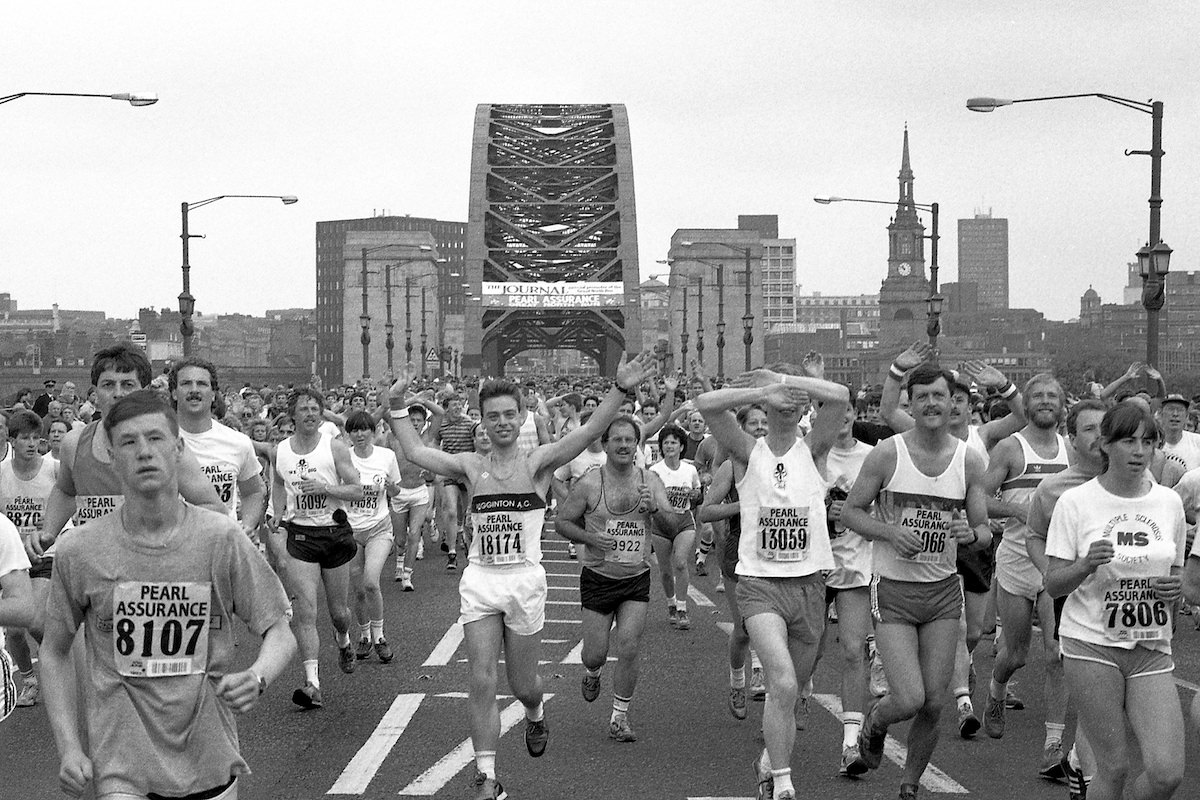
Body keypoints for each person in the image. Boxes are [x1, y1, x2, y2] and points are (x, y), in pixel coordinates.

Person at [387, 352, 657, 800]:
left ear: (522, 417)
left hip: (524, 582)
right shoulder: (472, 466)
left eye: (510, 415)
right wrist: (397, 405)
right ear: (483, 421)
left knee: (523, 684)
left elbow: (590, 431)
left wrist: (621, 389)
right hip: (481, 581)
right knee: (480, 678)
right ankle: (487, 776)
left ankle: (534, 713)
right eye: (493, 416)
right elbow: (414, 450)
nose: (502, 423)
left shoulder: (539, 464)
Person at [39, 390, 295, 800]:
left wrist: (257, 676)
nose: (144, 452)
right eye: (129, 442)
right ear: (111, 455)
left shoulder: (221, 538)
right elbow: (52, 653)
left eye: (155, 438)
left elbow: (280, 630)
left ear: (178, 449)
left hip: (207, 756)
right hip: (121, 760)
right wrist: (69, 747)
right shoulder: (80, 550)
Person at [697, 365, 851, 800]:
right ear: (763, 406)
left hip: (809, 585)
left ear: (803, 407)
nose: (786, 406)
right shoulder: (746, 451)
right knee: (781, 681)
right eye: (774, 404)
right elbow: (705, 405)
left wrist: (788, 383)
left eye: (796, 403)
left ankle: (768, 762)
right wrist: (768, 388)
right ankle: (783, 785)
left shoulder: (814, 449)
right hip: (760, 585)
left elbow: (838, 395)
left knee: (794, 688)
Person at [841, 365, 993, 800]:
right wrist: (890, 532)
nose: (931, 404)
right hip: (892, 588)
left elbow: (983, 529)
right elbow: (851, 512)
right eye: (922, 396)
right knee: (907, 697)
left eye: (939, 396)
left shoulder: (969, 460)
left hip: (943, 592)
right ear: (910, 402)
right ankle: (875, 719)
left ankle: (909, 783)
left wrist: (972, 534)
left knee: (933, 702)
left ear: (953, 403)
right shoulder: (888, 454)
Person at [1046, 402, 1186, 800]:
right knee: (1114, 767)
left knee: (1166, 773)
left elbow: (1174, 575)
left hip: (1150, 644)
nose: (1139, 451)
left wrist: (1174, 590)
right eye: (1128, 441)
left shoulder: (1168, 504)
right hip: (1090, 643)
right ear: (1106, 445)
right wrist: (1086, 565)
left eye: (1148, 441)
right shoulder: (1076, 503)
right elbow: (1054, 584)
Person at [555, 415, 686, 741]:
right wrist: (589, 539)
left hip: (635, 577)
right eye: (618, 440)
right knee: (595, 653)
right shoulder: (589, 483)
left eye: (630, 440)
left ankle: (619, 717)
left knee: (629, 646)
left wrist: (655, 509)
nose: (625, 445)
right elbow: (562, 522)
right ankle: (593, 671)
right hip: (598, 576)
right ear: (606, 444)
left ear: (637, 445)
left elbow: (673, 525)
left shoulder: (650, 480)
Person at [977, 374, 1071, 777]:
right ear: (1027, 405)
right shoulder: (1010, 448)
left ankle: (1054, 745)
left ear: (1064, 405)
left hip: (1058, 562)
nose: (1046, 401)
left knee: (1056, 653)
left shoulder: (1073, 452)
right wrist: (1015, 511)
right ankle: (996, 689)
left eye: (1053, 395)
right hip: (1017, 557)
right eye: (1038, 396)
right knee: (1015, 655)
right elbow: (977, 499)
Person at [1026, 398, 1106, 800]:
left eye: (1104, 428)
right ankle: (1065, 750)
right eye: (1088, 429)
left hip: (1119, 600)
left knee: (1110, 683)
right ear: (1071, 439)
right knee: (1066, 665)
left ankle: (1078, 758)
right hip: (1071, 592)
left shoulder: (1143, 477)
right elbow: (1034, 535)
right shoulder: (1054, 488)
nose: (1098, 436)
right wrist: (1050, 571)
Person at [270, 388, 364, 709]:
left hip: (335, 533)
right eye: (303, 409)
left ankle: (344, 639)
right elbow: (279, 484)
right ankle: (312, 683)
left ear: (322, 414)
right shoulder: (280, 451)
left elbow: (357, 490)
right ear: (292, 415)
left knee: (339, 613)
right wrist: (278, 514)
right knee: (305, 611)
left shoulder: (334, 448)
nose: (310, 414)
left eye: (315, 408)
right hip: (301, 536)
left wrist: (326, 488)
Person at [698, 405, 769, 720]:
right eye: (753, 423)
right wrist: (743, 505)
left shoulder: (785, 462)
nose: (760, 427)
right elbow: (707, 511)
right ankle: (738, 681)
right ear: (741, 429)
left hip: (775, 555)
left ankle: (768, 689)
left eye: (765, 422)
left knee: (772, 626)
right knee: (743, 628)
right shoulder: (730, 466)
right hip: (738, 552)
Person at [170, 358, 266, 538]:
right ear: (174, 393)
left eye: (202, 384)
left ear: (214, 394)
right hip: (174, 548)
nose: (194, 390)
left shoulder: (238, 442)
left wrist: (247, 526)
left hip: (222, 544)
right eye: (186, 384)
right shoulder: (158, 442)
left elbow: (253, 492)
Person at [2, 410, 59, 707]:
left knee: (35, 621)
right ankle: (30, 679)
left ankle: (59, 663)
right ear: (12, 441)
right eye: (24, 438)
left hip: (45, 555)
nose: (31, 443)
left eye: (36, 438)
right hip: (13, 561)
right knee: (13, 630)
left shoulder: (54, 470)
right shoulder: (2, 474)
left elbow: (72, 500)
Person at [343, 410, 401, 662]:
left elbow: (397, 489)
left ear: (373, 431)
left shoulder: (386, 456)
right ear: (349, 434)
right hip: (350, 530)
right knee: (357, 591)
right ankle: (364, 635)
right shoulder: (342, 457)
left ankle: (380, 636)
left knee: (370, 582)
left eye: (364, 429)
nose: (359, 435)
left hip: (379, 527)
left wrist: (391, 488)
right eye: (354, 430)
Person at [648, 424, 700, 630]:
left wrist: (696, 495)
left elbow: (698, 494)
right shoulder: (654, 471)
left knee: (680, 562)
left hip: (684, 521)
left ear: (681, 446)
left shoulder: (690, 470)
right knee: (666, 570)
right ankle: (670, 603)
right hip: (661, 524)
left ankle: (682, 608)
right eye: (665, 443)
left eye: (673, 442)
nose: (669, 446)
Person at [435, 392, 476, 571]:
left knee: (470, 514)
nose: (458, 408)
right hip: (450, 472)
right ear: (446, 408)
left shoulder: (469, 424)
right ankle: (452, 552)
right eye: (454, 405)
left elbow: (478, 444)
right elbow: (435, 444)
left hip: (467, 472)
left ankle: (471, 549)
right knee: (451, 511)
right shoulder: (442, 425)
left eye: (460, 404)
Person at [0, 511, 33, 723]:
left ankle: (31, 678)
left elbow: (22, 608)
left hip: (43, 557)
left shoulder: (2, 528)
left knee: (39, 629)